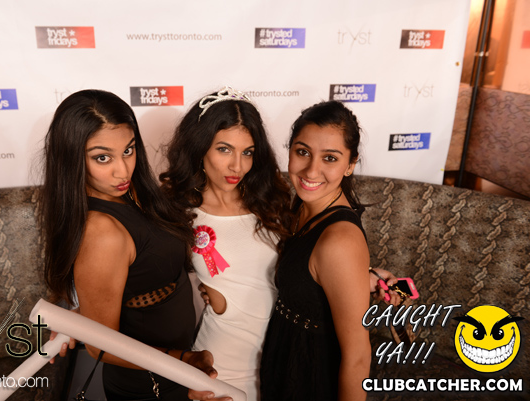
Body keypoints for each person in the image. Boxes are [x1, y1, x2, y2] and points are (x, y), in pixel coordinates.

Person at [160, 88, 398, 401]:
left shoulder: (277, 202)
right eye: (224, 149)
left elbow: (356, 353)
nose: (237, 166)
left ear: (351, 163)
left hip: (290, 366)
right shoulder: (181, 211)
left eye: (248, 152)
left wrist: (365, 279)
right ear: (199, 147)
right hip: (225, 362)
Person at [39, 89, 215, 401]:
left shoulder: (133, 193)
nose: (123, 170)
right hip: (151, 381)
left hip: (174, 365)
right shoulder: (101, 231)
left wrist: (83, 314)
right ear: (72, 158)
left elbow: (132, 282)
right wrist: (184, 361)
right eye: (102, 157)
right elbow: (101, 345)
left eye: (129, 150)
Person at [259, 100, 372, 401]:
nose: (311, 170)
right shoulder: (301, 206)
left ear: (350, 164)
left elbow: (358, 357)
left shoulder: (340, 240)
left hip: (312, 377)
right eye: (303, 152)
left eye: (330, 158)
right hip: (285, 362)